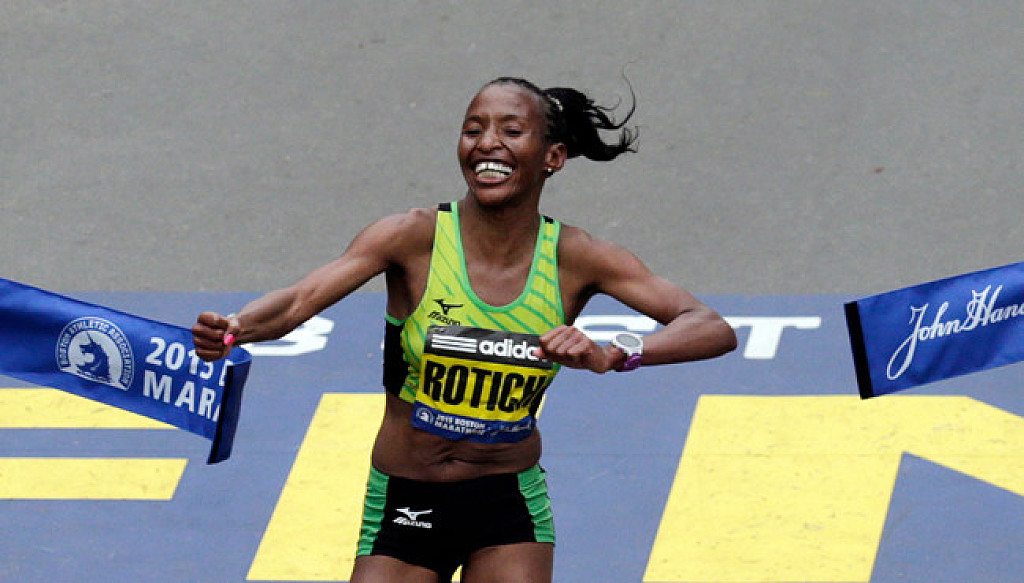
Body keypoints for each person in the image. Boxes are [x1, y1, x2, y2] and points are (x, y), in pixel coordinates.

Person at [192, 76, 737, 583]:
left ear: (553, 157)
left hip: (508, 504)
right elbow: (297, 302)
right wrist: (236, 328)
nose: (487, 144)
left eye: (511, 131)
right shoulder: (412, 237)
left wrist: (615, 352)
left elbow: (709, 327)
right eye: (474, 130)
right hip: (406, 499)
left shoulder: (578, 257)